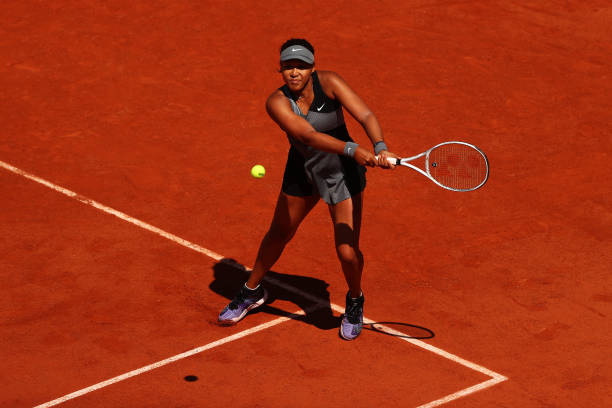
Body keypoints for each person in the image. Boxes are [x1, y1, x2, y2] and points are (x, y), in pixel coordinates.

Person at [218, 38, 397, 340]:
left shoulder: (330, 82)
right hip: (303, 170)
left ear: (312, 67)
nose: (294, 72)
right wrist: (354, 149)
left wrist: (380, 145)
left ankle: (355, 300)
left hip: (342, 175)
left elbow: (365, 115)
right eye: (288, 66)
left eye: (301, 66)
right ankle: (252, 290)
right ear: (281, 70)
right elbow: (309, 136)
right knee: (279, 233)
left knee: (347, 251)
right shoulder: (276, 102)